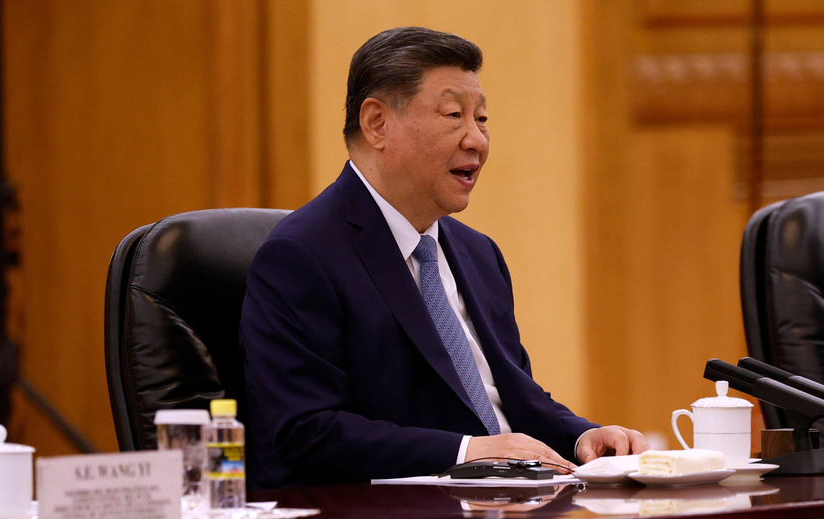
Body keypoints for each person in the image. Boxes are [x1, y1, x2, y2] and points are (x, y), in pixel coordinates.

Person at [241, 26, 647, 489]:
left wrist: (581, 437)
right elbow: (308, 432)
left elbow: (512, 396)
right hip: (394, 518)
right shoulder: (301, 256)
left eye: (482, 118)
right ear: (377, 123)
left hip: (511, 503)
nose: (477, 141)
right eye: (454, 115)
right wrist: (467, 453)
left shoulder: (478, 253)